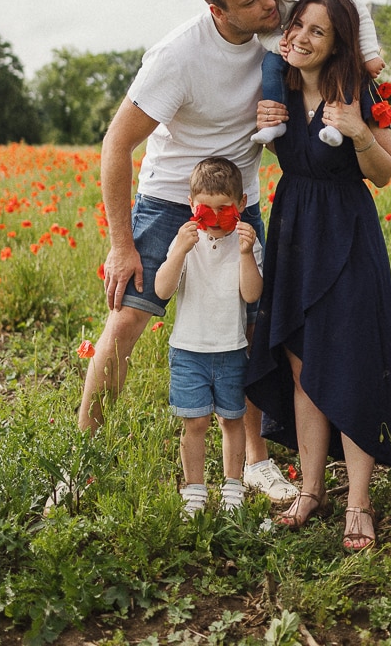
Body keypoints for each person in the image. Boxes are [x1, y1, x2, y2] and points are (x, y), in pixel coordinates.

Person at [59, 0, 297, 506]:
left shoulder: (279, 21)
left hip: (242, 203)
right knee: (124, 324)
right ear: (220, 12)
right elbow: (116, 144)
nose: (268, 2)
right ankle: (79, 461)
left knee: (252, 328)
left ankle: (257, 462)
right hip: (172, 200)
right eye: (251, 0)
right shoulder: (179, 56)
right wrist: (122, 245)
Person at [245, 0, 391, 552]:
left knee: (352, 359)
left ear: (338, 42)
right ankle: (311, 489)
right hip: (294, 226)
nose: (301, 38)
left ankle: (358, 502)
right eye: (298, 26)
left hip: (346, 231)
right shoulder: (279, 88)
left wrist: (361, 131)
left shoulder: (360, 92)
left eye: (318, 32)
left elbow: (385, 173)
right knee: (300, 364)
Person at [155, 158, 263, 516]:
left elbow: (251, 294)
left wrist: (246, 254)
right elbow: (162, 288)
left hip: (232, 349)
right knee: (195, 422)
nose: (215, 218)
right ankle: (195, 490)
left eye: (225, 209)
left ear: (241, 205)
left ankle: (233, 488)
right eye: (206, 209)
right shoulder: (186, 242)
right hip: (188, 349)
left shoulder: (247, 244)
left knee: (232, 420)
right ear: (191, 206)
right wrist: (180, 251)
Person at [250, 0, 385, 148]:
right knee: (269, 65)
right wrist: (277, 43)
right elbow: (263, 31)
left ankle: (335, 125)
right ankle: (274, 121)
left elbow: (360, 15)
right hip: (290, 50)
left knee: (345, 72)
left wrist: (370, 54)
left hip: (333, 50)